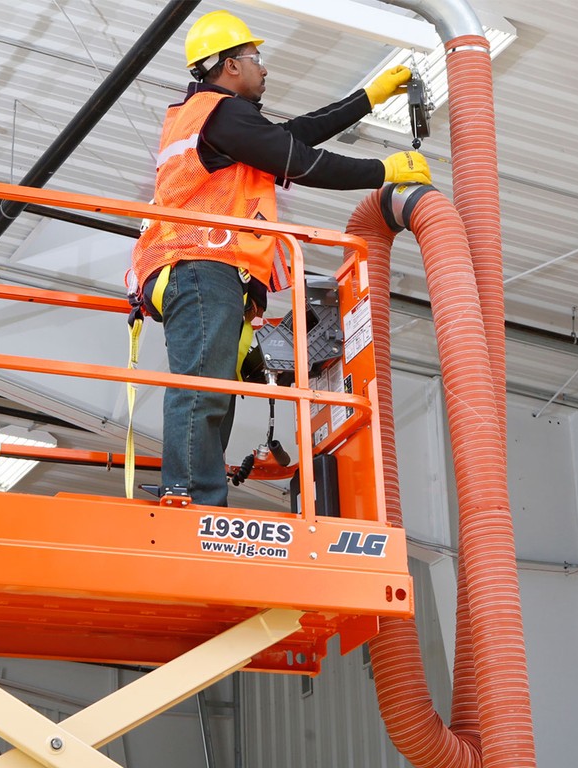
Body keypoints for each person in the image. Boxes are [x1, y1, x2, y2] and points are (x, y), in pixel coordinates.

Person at [131, 9, 431, 507]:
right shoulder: (219, 115)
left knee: (214, 390)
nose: (263, 68)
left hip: (207, 268)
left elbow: (291, 138)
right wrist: (385, 169)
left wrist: (366, 100)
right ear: (228, 66)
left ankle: (199, 495)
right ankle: (186, 495)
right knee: (203, 387)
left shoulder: (217, 118)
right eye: (256, 58)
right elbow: (300, 161)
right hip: (198, 264)